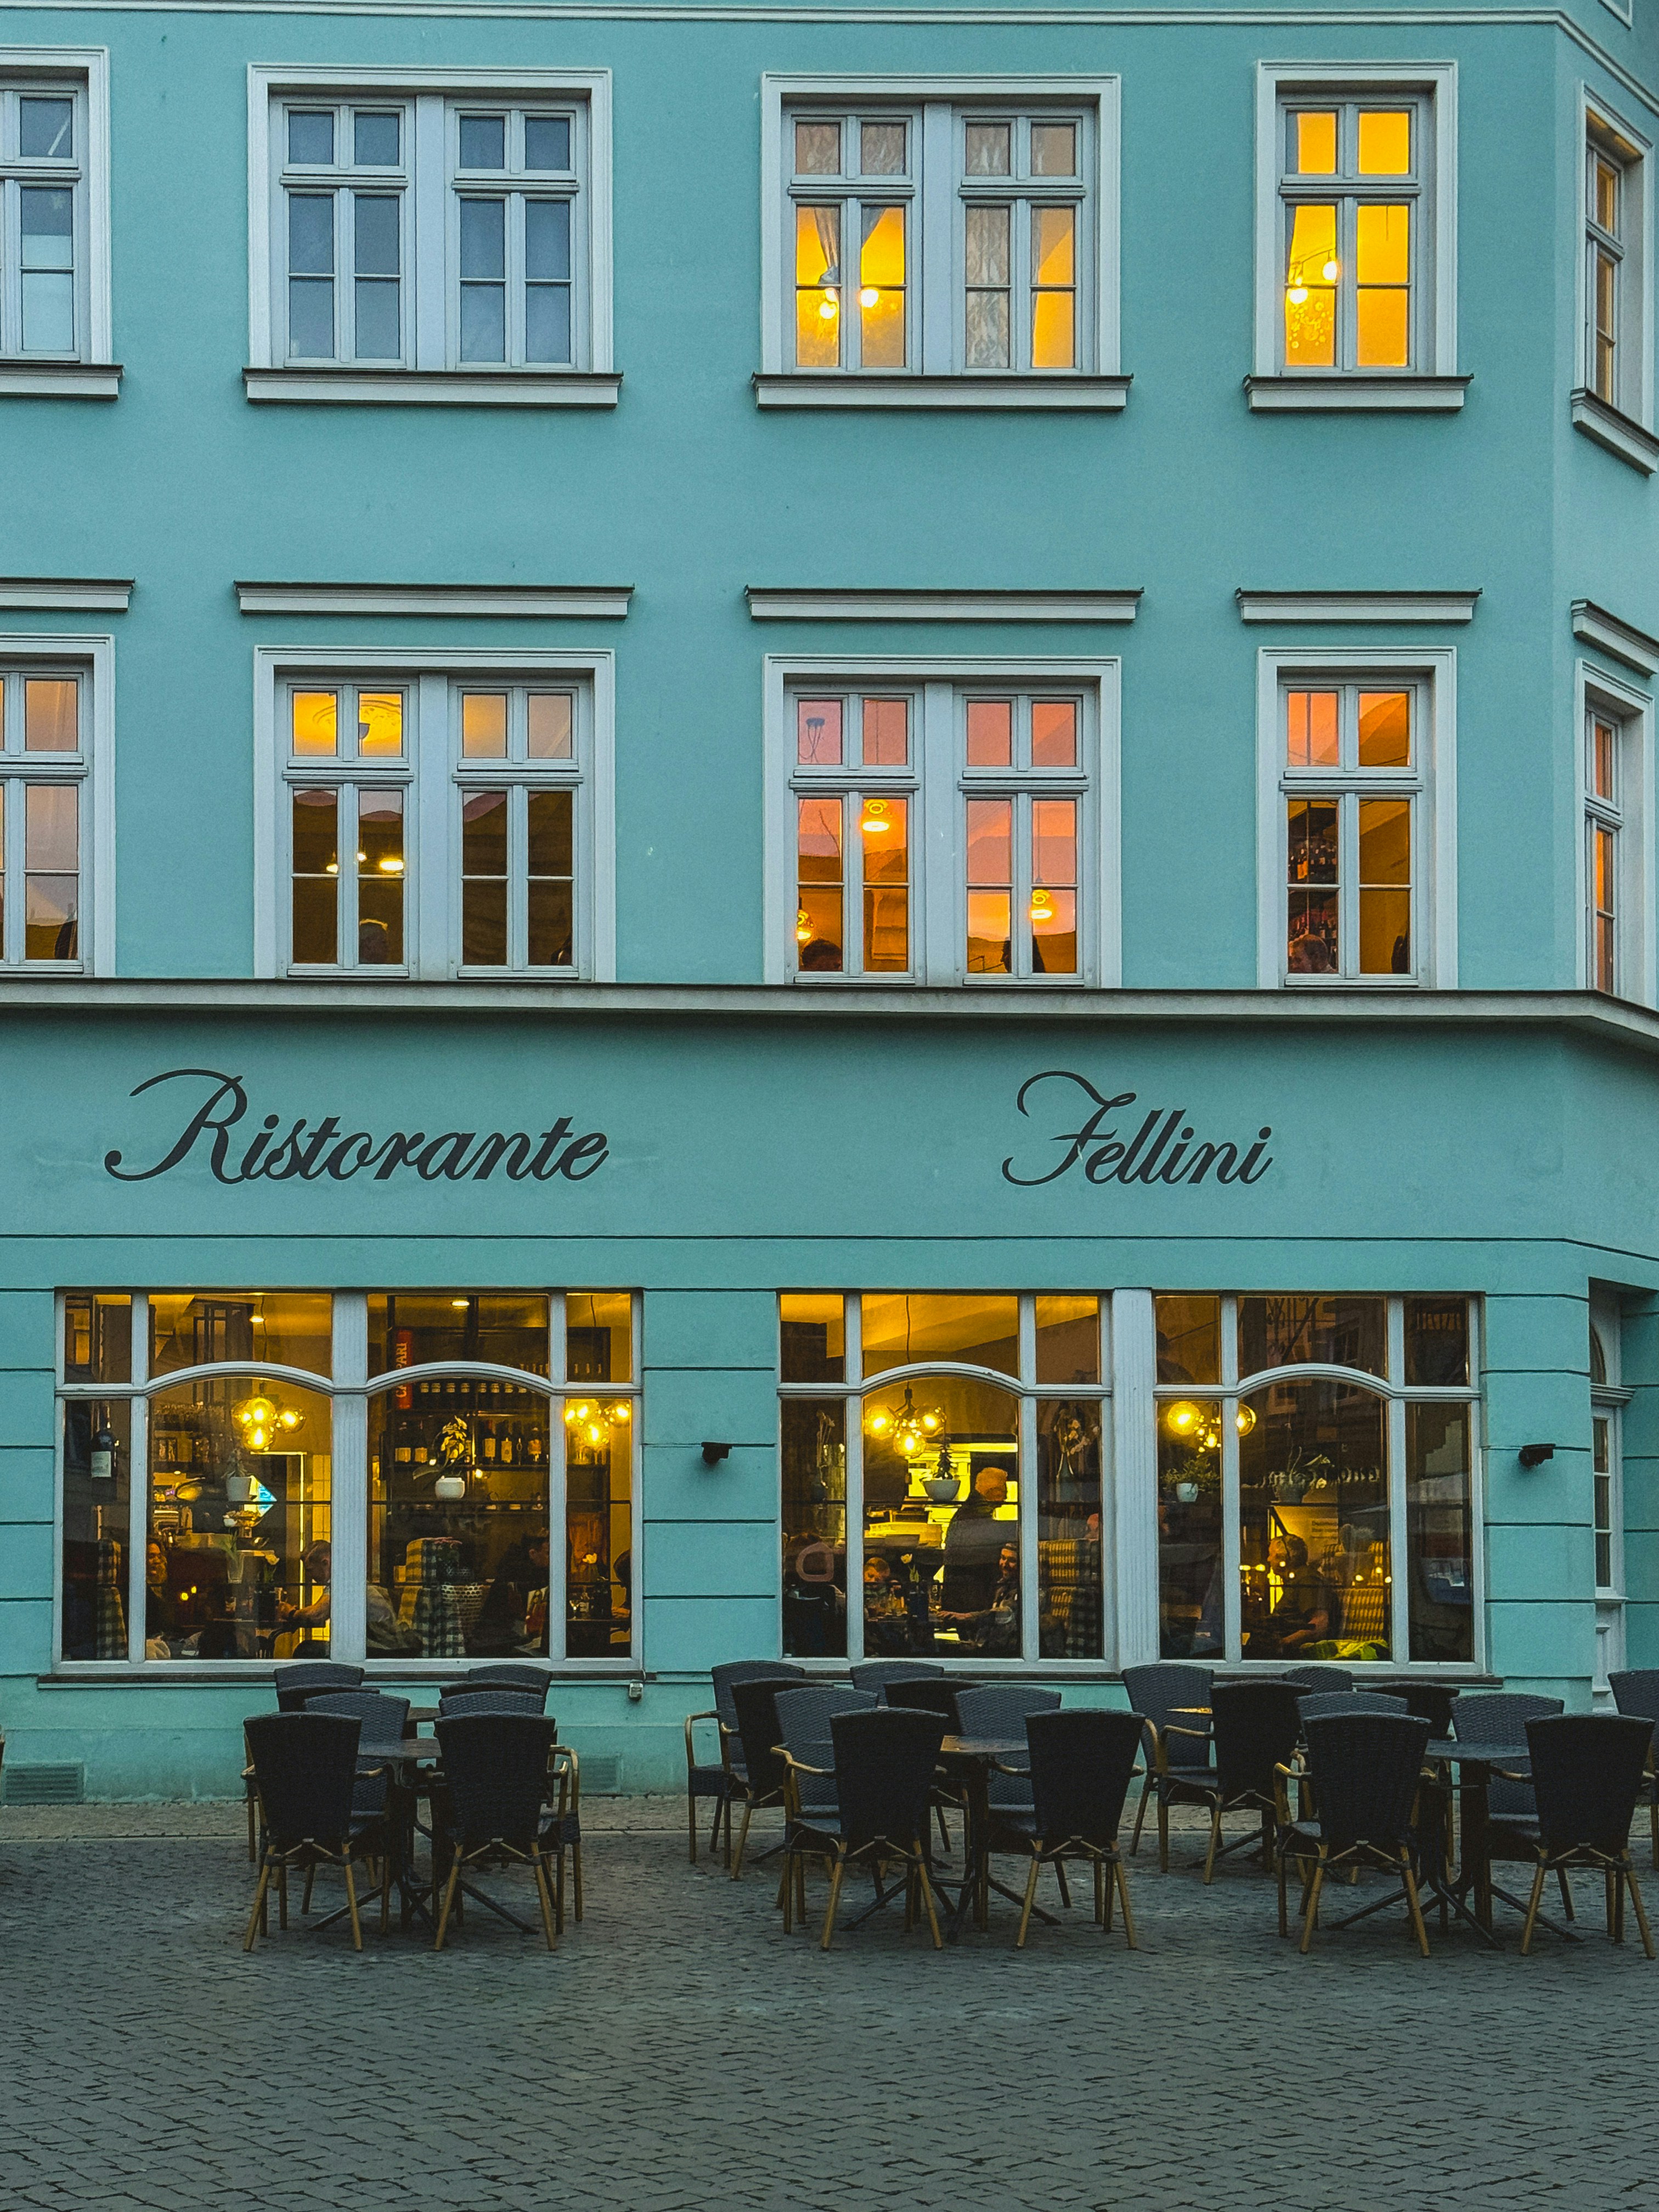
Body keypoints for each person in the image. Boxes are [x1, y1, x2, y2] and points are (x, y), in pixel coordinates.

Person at [939, 1468, 1011, 1612]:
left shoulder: (969, 1512)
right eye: (1003, 1491)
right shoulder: (977, 1516)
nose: (1006, 1498)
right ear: (992, 1492)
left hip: (962, 1596)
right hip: (971, 1598)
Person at [1265, 1533, 1331, 1652]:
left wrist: (1284, 1643)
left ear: (1284, 1558)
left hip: (1296, 1653)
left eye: (1271, 1555)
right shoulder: (1296, 1580)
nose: (1268, 1559)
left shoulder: (1307, 1580)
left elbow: (1320, 1623)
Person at [278, 1539, 332, 1652]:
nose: (310, 1576)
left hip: (367, 1649)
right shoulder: (341, 1581)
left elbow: (316, 1615)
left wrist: (290, 1613)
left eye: (310, 1570)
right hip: (362, 1646)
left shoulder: (341, 1584)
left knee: (305, 1649)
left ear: (325, 1563)